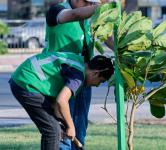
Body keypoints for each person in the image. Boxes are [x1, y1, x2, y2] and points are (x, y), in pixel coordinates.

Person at [44, 0, 114, 149]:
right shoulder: (57, 10)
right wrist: (101, 8)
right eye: (89, 3)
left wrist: (124, 51)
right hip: (61, 81)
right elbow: (74, 14)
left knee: (79, 130)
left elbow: (108, 37)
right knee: (62, 131)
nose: (91, 6)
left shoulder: (90, 16)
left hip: (83, 80)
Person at [9, 52, 114, 150]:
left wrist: (63, 124)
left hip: (25, 79)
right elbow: (61, 100)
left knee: (55, 129)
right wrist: (71, 126)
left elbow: (56, 105)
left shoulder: (79, 62)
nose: (97, 85)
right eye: (100, 81)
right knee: (53, 131)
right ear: (96, 73)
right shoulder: (78, 77)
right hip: (26, 82)